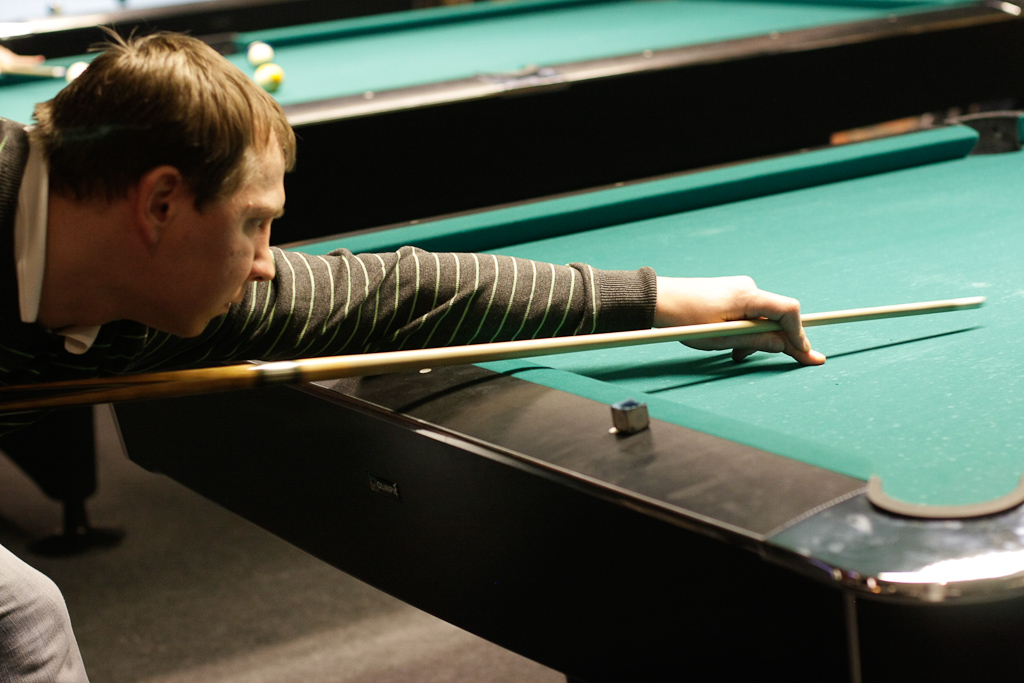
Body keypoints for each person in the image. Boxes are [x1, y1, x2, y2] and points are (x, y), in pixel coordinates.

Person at [0, 31, 825, 682]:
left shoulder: (146, 288)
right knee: (24, 618)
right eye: (254, 222)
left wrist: (661, 301)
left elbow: (394, 293)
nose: (264, 263)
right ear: (160, 204)